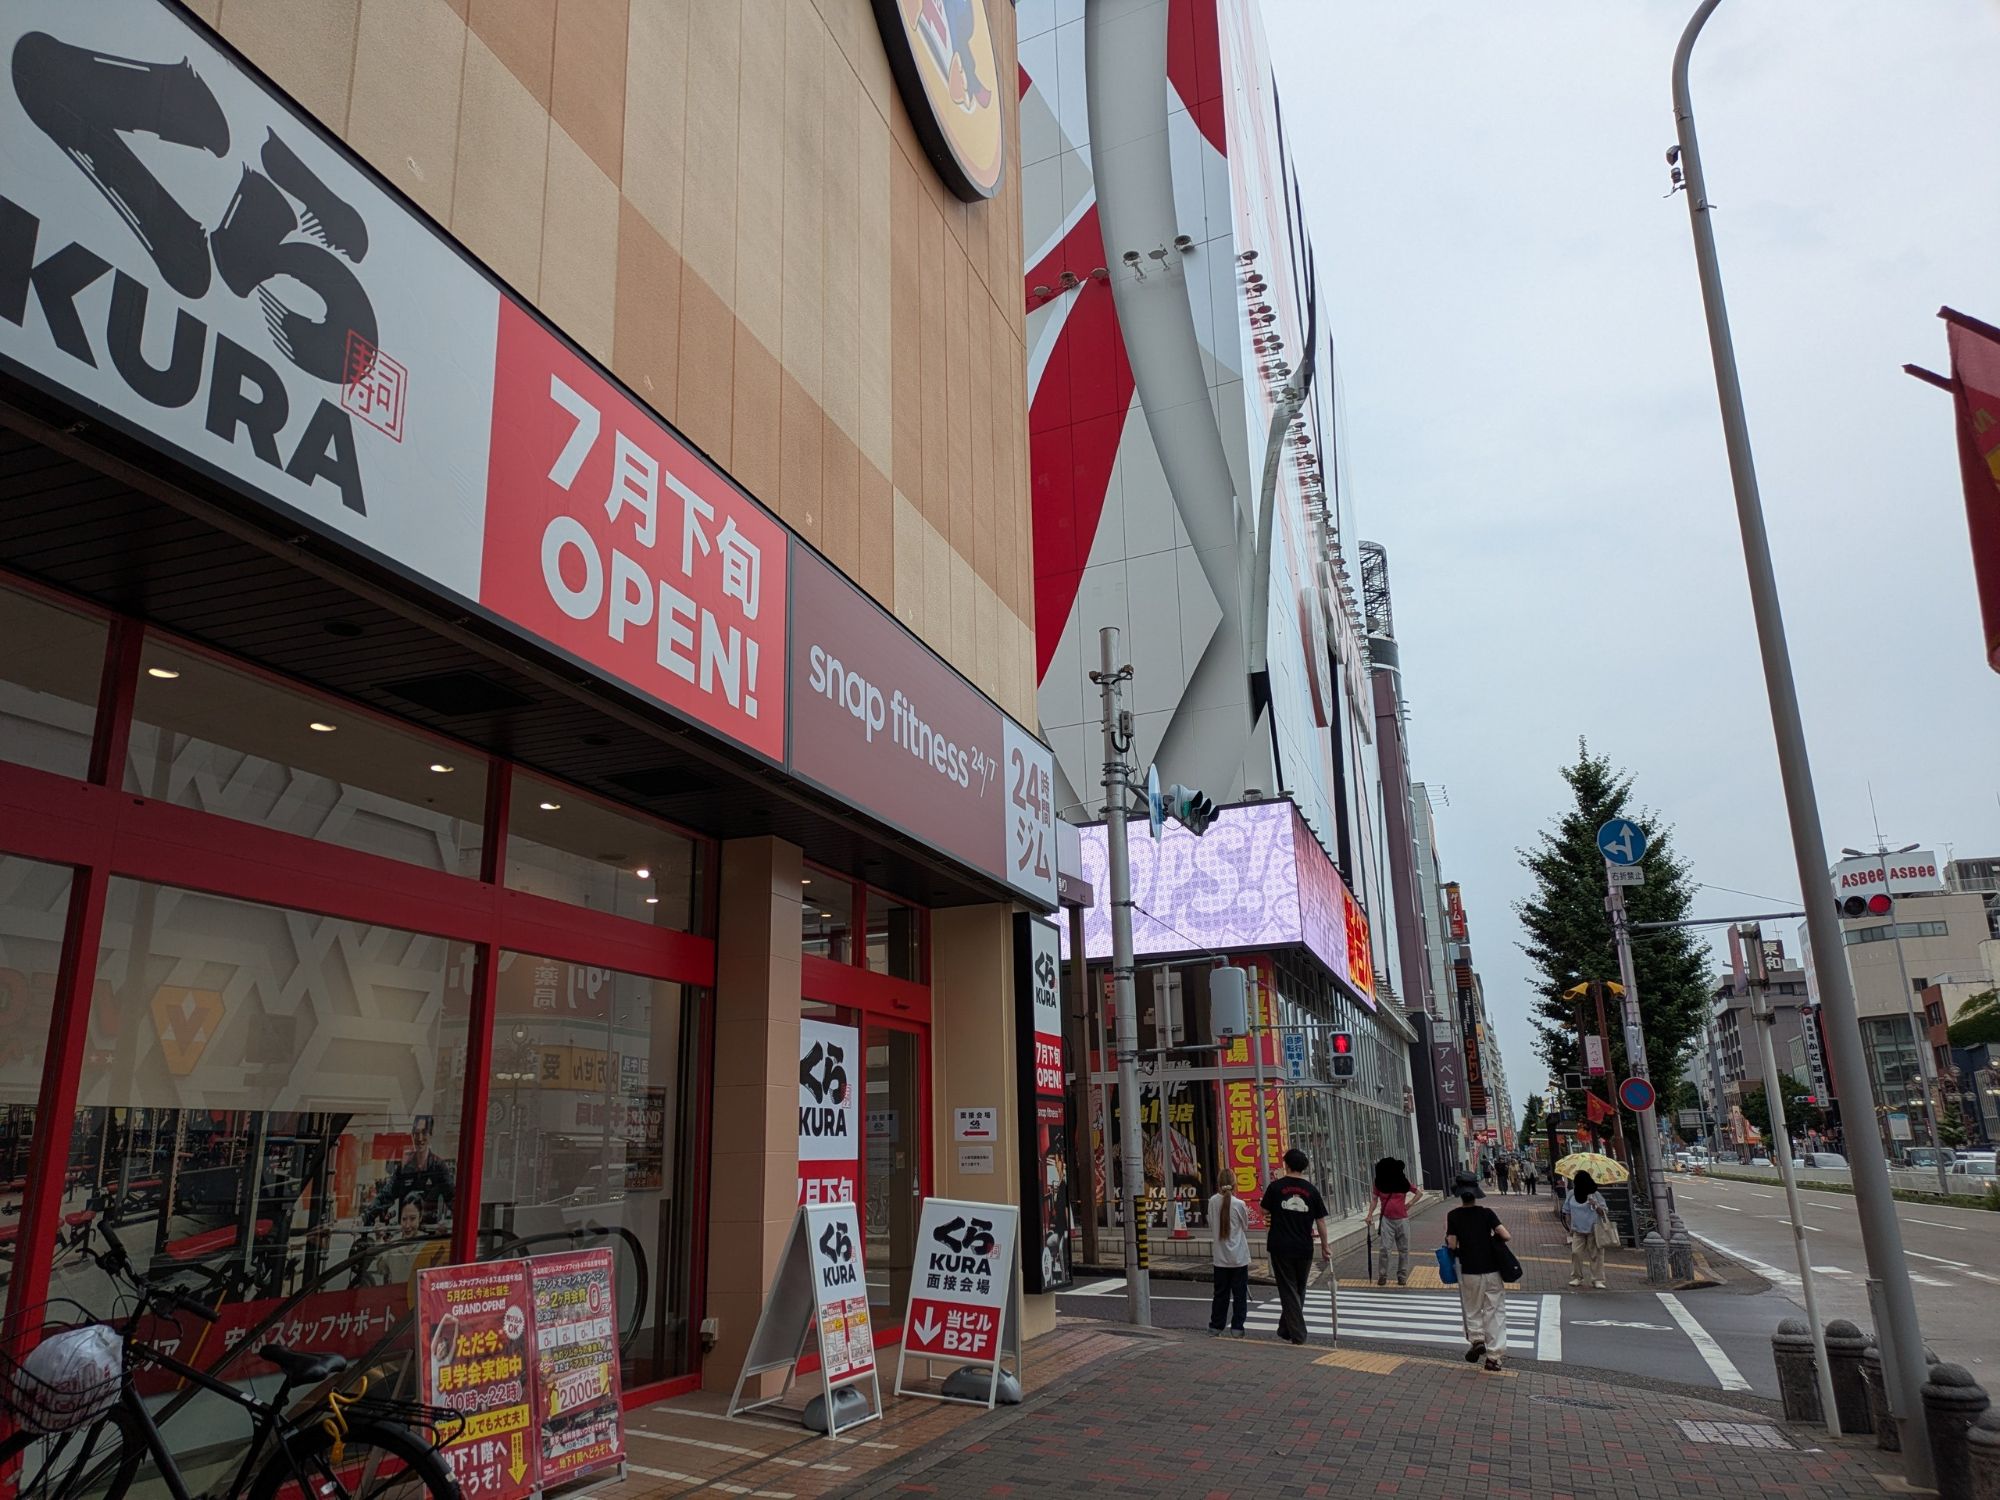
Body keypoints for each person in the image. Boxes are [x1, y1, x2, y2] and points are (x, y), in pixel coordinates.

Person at [1259, 1148, 1331, 1345]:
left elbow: (1263, 1210)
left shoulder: (1275, 1187)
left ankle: (1298, 1334)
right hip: (1304, 1246)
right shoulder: (1312, 1190)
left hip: (1280, 1245)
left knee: (1288, 1289)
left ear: (1287, 1165)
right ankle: (1285, 1329)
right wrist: (1325, 1246)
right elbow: (1321, 1221)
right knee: (1298, 1288)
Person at [1445, 1171, 1510, 1372]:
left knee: (1472, 1307)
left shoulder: (1453, 1216)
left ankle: (1477, 1339)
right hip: (1491, 1269)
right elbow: (1505, 1235)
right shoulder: (1487, 1213)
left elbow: (1453, 1244)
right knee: (1495, 1311)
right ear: (1476, 1193)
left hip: (1469, 1270)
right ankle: (1494, 1357)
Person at [366, 1114, 455, 1224]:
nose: (420, 1138)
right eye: (416, 1133)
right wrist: (369, 1213)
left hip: (428, 1235)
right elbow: (387, 1194)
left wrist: (451, 1226)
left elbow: (453, 1198)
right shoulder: (405, 1167)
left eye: (424, 1133)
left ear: (430, 1135)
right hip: (406, 1235)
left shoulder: (438, 1166)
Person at [1206, 1176, 1250, 1337]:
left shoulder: (1212, 1202)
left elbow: (1211, 1223)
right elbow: (1245, 1226)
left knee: (1220, 1294)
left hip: (1220, 1257)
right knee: (1239, 1295)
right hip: (1239, 1256)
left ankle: (1216, 1326)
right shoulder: (1240, 1204)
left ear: (1218, 1184)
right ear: (1234, 1184)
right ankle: (1237, 1327)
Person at [1367, 1157, 1420, 1286]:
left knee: (1404, 1249)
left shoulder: (1402, 1181)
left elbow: (1418, 1193)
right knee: (1385, 1248)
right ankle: (1382, 1275)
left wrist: (1410, 1204)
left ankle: (1402, 1276)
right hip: (1386, 1219)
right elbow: (1374, 1199)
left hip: (1402, 1218)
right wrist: (1369, 1215)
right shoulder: (1379, 1182)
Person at [1562, 1170, 1611, 1288]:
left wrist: (1595, 1204)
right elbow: (1566, 1211)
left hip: (1594, 1229)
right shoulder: (1571, 1194)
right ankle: (1576, 1277)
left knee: (1596, 1255)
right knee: (1576, 1253)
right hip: (1577, 1230)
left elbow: (1604, 1212)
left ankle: (1597, 1279)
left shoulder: (1595, 1194)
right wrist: (1569, 1227)